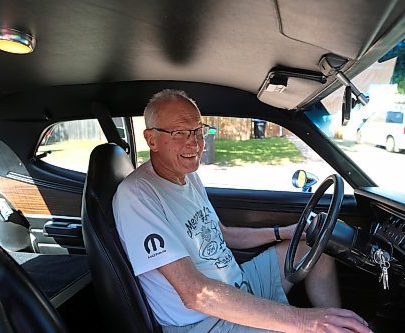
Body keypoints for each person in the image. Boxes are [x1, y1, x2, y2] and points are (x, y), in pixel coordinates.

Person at [113, 89, 372, 333]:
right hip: (207, 321)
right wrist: (304, 321)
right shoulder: (137, 195)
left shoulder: (187, 176)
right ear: (151, 139)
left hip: (237, 284)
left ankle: (338, 323)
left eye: (198, 131)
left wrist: (286, 232)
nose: (194, 144)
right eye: (180, 133)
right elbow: (196, 294)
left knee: (317, 248)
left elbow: (223, 235)